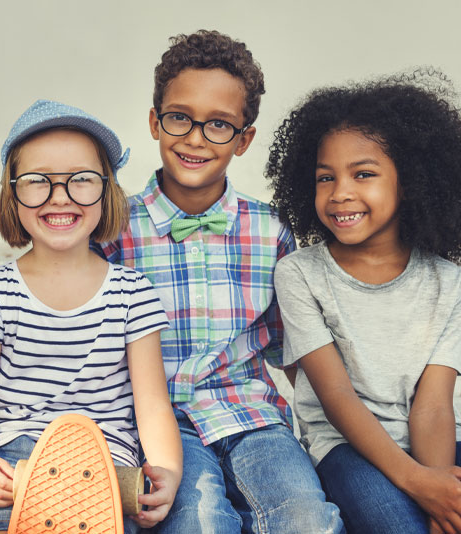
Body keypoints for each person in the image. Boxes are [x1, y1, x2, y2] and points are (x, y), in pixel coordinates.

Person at [100, 31, 344, 533]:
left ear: (243, 138)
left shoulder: (271, 229)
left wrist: (330, 434)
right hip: (160, 424)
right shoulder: (111, 227)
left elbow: (289, 348)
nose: (195, 138)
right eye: (179, 118)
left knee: (307, 519)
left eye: (218, 125)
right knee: (199, 521)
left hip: (255, 417)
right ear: (155, 122)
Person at [0, 99, 182, 534]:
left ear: (106, 189)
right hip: (16, 457)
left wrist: (167, 470)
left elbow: (151, 405)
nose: (60, 197)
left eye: (80, 180)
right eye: (39, 181)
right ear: (13, 192)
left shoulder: (132, 293)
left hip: (107, 459)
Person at [267, 70, 461, 534]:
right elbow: (336, 398)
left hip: (432, 441)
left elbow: (433, 405)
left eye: (364, 174)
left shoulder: (449, 282)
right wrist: (417, 481)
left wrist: (438, 495)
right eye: (325, 177)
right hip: (345, 446)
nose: (340, 194)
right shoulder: (299, 273)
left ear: (410, 181)